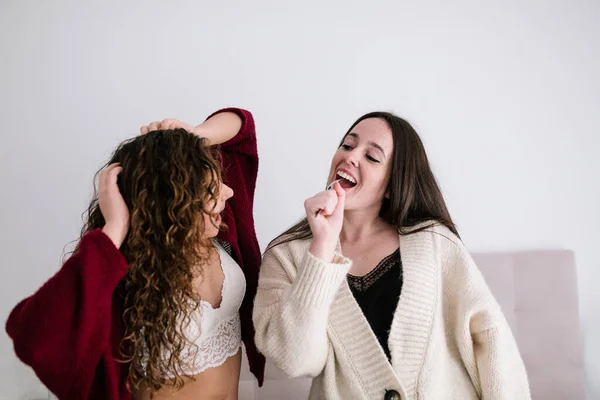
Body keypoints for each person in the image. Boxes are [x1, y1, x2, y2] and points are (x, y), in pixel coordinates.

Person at [253, 111, 531, 400]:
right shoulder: (286, 256)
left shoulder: (434, 243)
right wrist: (321, 249)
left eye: (372, 157)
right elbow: (297, 361)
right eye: (348, 145)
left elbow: (491, 339)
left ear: (390, 186)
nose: (351, 157)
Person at [6, 108, 265, 400]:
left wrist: (190, 136)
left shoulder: (218, 231)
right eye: (210, 190)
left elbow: (242, 128)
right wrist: (115, 227)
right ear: (173, 204)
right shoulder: (121, 267)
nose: (228, 192)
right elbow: (35, 337)